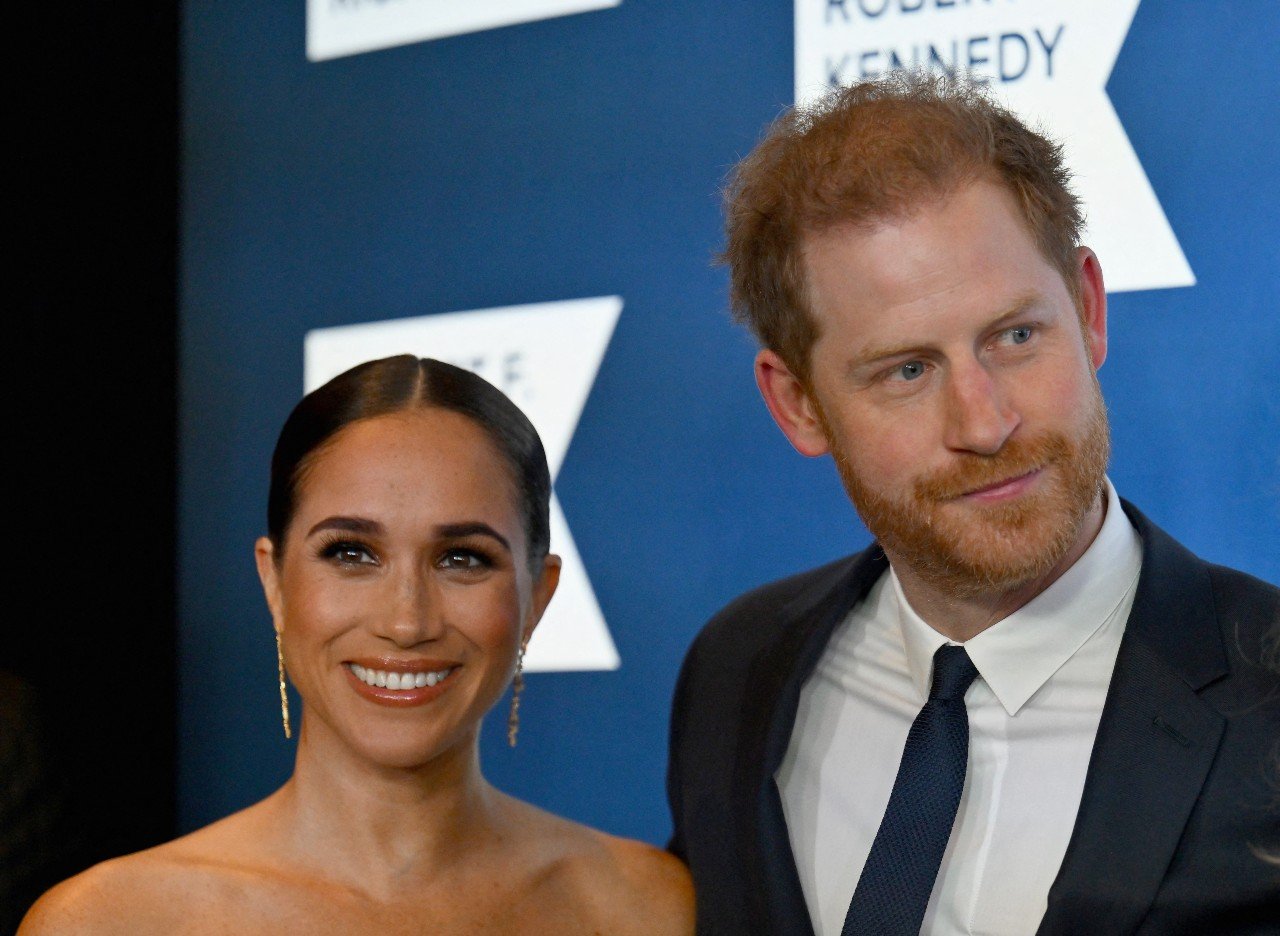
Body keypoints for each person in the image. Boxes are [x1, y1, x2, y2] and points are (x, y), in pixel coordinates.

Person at [667, 72, 1279, 936]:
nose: (985, 423)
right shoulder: (737, 671)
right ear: (799, 404)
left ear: (1090, 309)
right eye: (907, 371)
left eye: (1016, 336)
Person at [23, 355, 694, 934]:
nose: (407, 622)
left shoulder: (648, 907)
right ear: (275, 583)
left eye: (462, 559)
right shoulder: (109, 922)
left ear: (536, 600)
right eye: (350, 552)